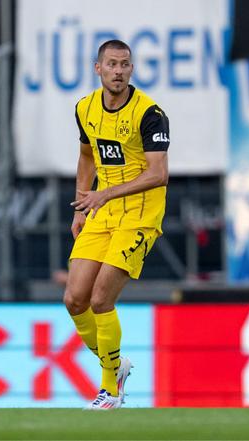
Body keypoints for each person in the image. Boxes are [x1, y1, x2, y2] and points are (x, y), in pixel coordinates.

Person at [64, 40, 170, 410]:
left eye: (125, 64)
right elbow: (86, 156)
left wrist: (104, 194)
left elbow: (158, 174)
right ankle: (115, 364)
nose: (119, 71)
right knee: (74, 299)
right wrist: (80, 207)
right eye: (111, 64)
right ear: (98, 68)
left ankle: (110, 389)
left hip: (140, 215)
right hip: (101, 210)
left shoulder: (149, 114)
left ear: (132, 69)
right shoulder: (85, 108)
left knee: (100, 299)